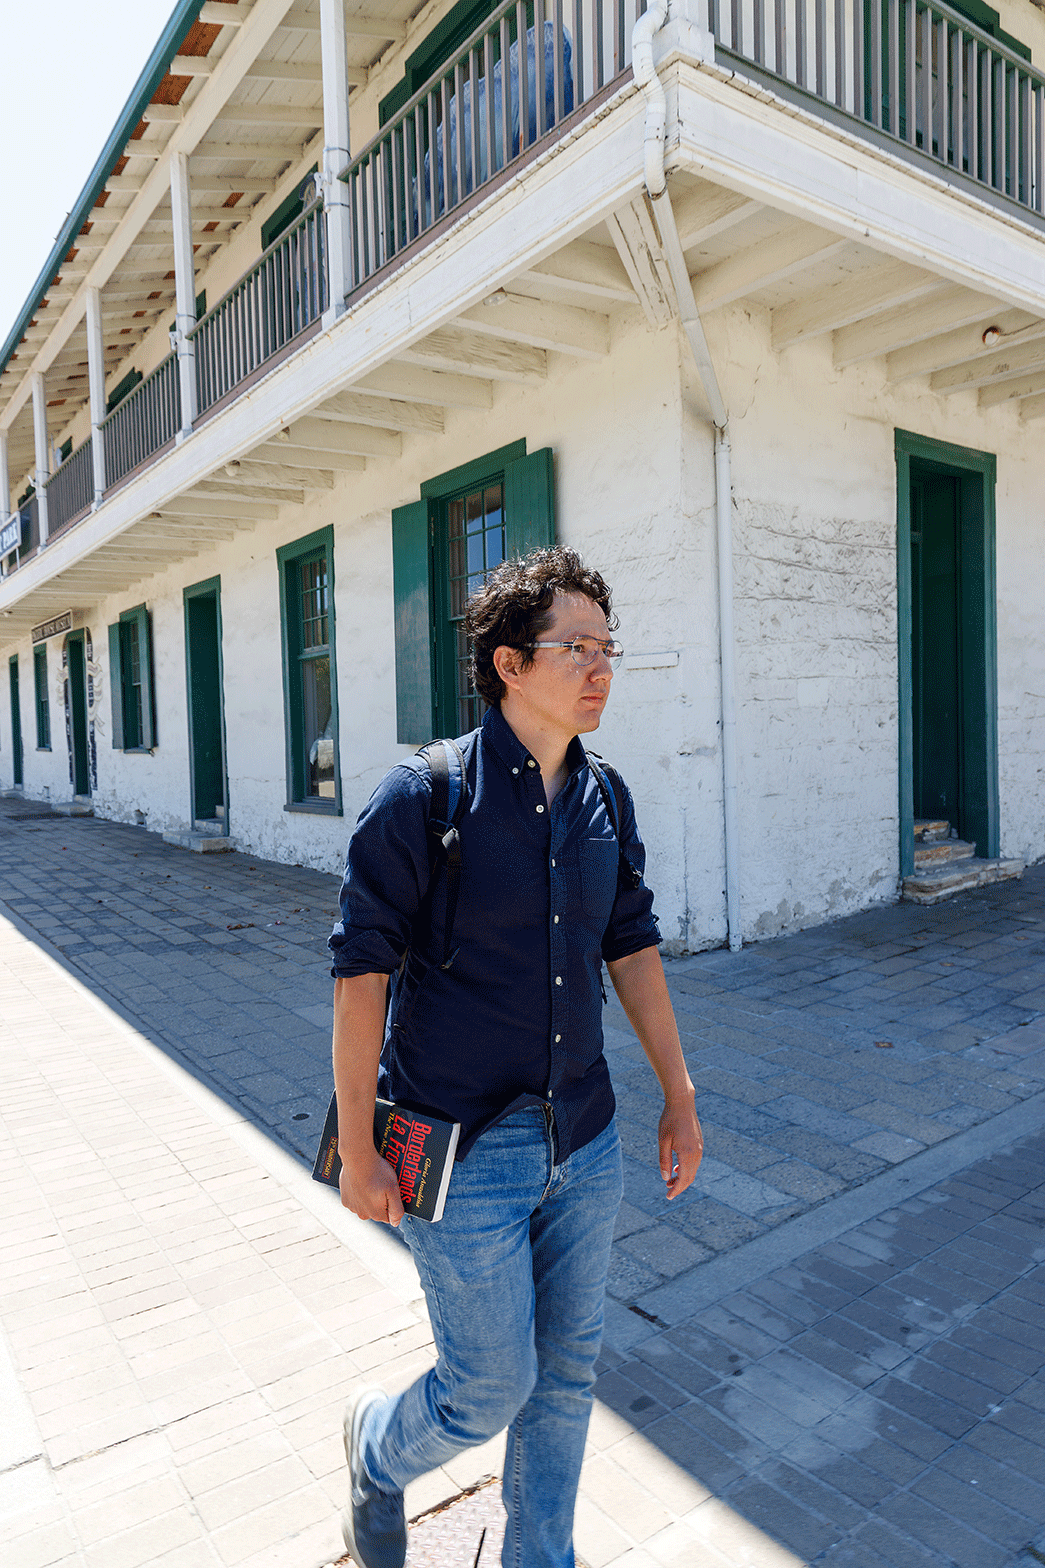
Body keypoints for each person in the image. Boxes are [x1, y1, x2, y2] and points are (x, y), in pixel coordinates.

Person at [328, 547, 703, 1568]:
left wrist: (678, 1092)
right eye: (574, 646)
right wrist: (358, 1145)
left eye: (606, 646)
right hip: (459, 1143)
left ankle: (542, 1555)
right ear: (507, 662)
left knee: (568, 1372)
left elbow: (629, 941)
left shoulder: (604, 798)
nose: (600, 666)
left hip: (581, 1135)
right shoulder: (422, 795)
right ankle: (375, 1443)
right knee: (489, 1384)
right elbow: (361, 974)